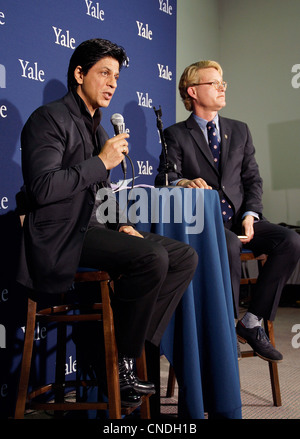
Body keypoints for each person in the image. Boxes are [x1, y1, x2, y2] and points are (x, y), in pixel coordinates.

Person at [17, 39, 198, 408]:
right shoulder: (48, 119)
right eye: (103, 73)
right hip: (60, 236)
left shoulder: (98, 128)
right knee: (152, 258)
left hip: (93, 229)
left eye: (116, 76)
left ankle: (121, 355)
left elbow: (101, 193)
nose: (112, 83)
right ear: (79, 74)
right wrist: (101, 161)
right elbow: (42, 187)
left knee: (183, 257)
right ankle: (121, 366)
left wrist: (121, 225)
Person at [155, 60, 300, 363]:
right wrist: (183, 181)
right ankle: (225, 328)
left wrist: (251, 215)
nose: (222, 88)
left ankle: (252, 322)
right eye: (214, 83)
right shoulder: (176, 134)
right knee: (230, 243)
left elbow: (252, 181)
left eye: (223, 83)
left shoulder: (240, 130)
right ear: (193, 91)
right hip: (205, 224)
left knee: (290, 240)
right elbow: (163, 178)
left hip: (239, 219)